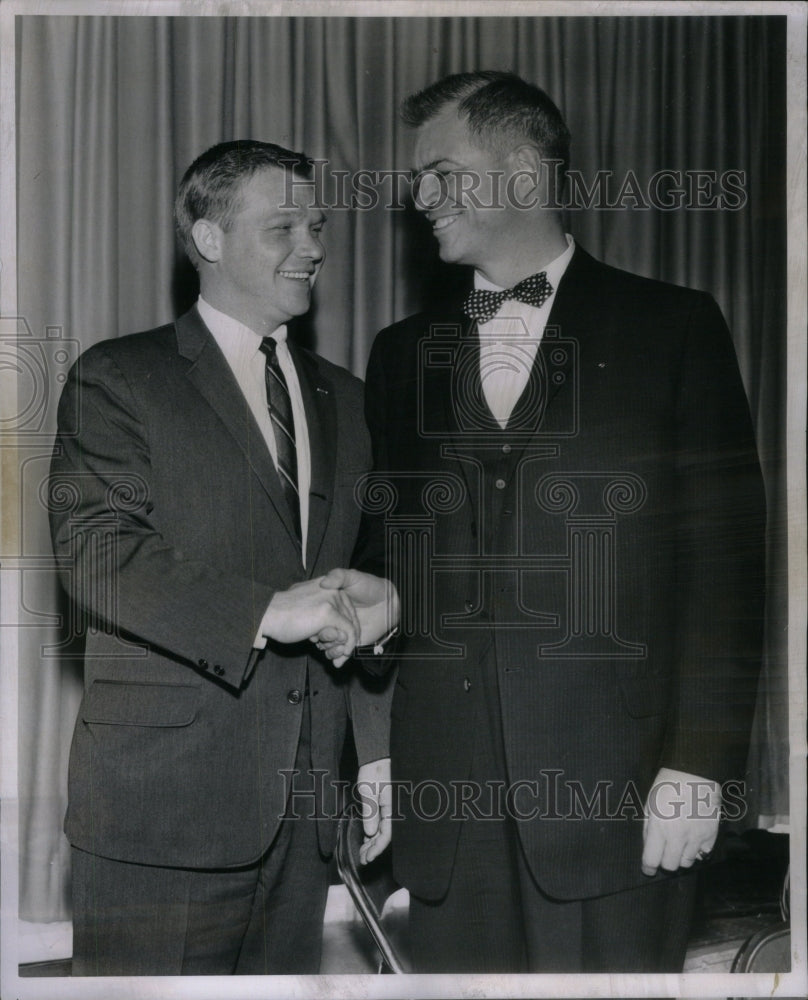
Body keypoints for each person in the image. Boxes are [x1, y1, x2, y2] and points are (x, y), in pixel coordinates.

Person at [351, 71, 766, 973]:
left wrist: (698, 768)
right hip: (448, 814)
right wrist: (378, 744)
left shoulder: (676, 328)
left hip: (617, 805)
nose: (419, 197)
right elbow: (391, 567)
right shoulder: (399, 357)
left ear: (527, 178)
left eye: (442, 173)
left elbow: (727, 573)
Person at [48, 139, 397, 976]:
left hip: (307, 822)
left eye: (315, 225)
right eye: (282, 227)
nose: (312, 246)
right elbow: (95, 552)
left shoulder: (348, 399)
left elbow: (366, 586)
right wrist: (270, 611)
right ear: (206, 239)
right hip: (161, 817)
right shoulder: (120, 379)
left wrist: (377, 751)